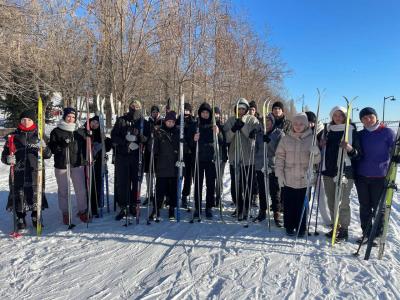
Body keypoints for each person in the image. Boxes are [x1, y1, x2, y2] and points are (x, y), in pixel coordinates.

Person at [1, 110, 52, 231]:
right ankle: (20, 217)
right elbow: (4, 156)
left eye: (29, 119)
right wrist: (8, 159)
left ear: (33, 121)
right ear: (20, 120)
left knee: (35, 193)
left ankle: (36, 216)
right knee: (19, 194)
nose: (26, 122)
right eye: (24, 119)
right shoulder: (13, 136)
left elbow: (48, 154)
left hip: (35, 171)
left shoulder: (39, 135)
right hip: (18, 171)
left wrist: (44, 148)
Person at [355, 107, 398, 244]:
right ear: (361, 120)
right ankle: (366, 233)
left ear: (376, 117)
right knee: (364, 205)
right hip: (361, 175)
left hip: (380, 176)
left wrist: (397, 156)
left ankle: (377, 232)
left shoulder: (387, 132)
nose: (368, 120)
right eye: (364, 118)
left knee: (378, 206)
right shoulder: (360, 134)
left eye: (370, 117)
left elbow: (395, 149)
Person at [275, 113, 321, 236]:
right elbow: (279, 158)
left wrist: (316, 153)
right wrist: (279, 175)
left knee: (303, 205)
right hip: (288, 177)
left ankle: (301, 227)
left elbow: (316, 161)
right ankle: (289, 226)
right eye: (295, 123)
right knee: (289, 204)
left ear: (306, 125)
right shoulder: (285, 139)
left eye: (301, 124)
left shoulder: (312, 138)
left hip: (305, 179)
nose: (298, 126)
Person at [320, 106, 360, 242]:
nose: (338, 118)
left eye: (341, 115)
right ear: (332, 116)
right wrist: (321, 144)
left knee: (343, 202)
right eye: (335, 115)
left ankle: (344, 229)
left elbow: (358, 154)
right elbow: (322, 149)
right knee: (331, 201)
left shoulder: (352, 131)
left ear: (345, 117)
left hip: (345, 171)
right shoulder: (328, 131)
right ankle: (335, 225)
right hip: (328, 171)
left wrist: (349, 148)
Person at [48, 107, 89, 224]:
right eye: (68, 116)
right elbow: (53, 149)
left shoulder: (79, 131)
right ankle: (65, 212)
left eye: (73, 117)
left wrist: (90, 135)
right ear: (64, 116)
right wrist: (61, 145)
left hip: (77, 164)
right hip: (62, 164)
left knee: (80, 189)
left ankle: (82, 210)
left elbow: (87, 143)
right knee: (63, 190)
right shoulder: (56, 131)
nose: (71, 119)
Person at [111, 100, 150, 221]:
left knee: (136, 182)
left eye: (137, 106)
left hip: (137, 156)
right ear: (129, 107)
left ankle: (134, 204)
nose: (135, 108)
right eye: (133, 106)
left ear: (140, 108)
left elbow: (148, 139)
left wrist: (140, 138)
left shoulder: (144, 122)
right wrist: (125, 142)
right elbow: (114, 136)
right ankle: (123, 206)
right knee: (123, 182)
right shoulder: (121, 120)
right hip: (123, 156)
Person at [224, 98, 259, 220]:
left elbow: (253, 138)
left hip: (248, 158)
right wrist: (233, 130)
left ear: (247, 109)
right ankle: (238, 206)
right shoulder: (230, 120)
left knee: (247, 184)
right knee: (236, 184)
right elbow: (226, 138)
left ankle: (247, 207)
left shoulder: (252, 120)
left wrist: (243, 126)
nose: (241, 111)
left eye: (243, 109)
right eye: (239, 109)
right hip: (235, 157)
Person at [191, 102, 223, 219]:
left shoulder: (214, 125)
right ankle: (197, 207)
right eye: (203, 112)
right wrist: (194, 139)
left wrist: (218, 133)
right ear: (200, 113)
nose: (205, 114)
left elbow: (221, 141)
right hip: (198, 158)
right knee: (198, 185)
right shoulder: (195, 125)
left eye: (207, 112)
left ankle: (209, 207)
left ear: (210, 114)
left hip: (211, 159)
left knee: (210, 184)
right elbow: (189, 142)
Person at [253, 113, 284, 226]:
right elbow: (255, 149)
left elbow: (280, 150)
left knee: (274, 190)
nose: (267, 124)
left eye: (269, 121)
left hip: (273, 165)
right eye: (264, 122)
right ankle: (262, 211)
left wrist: (269, 142)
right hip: (261, 165)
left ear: (272, 122)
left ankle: (276, 212)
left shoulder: (279, 133)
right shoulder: (259, 134)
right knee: (262, 189)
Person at [149, 111, 181, 220]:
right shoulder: (160, 132)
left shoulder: (178, 132)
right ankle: (156, 209)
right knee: (159, 190)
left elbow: (184, 148)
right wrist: (152, 138)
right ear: (165, 121)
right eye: (168, 121)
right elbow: (153, 149)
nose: (170, 123)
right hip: (162, 166)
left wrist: (183, 145)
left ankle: (172, 209)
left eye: (172, 121)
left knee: (173, 190)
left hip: (174, 166)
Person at [305, 111, 331, 228]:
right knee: (306, 195)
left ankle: (328, 220)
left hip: (321, 169)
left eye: (311, 122)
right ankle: (303, 218)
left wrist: (322, 146)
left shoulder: (324, 131)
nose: (310, 125)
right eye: (307, 122)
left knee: (322, 198)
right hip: (308, 168)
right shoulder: (303, 132)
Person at [86, 115, 112, 217]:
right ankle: (90, 205)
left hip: (99, 163)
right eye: (93, 122)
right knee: (90, 184)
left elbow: (108, 148)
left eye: (97, 123)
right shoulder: (85, 132)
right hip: (88, 163)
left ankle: (98, 203)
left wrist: (107, 140)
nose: (95, 124)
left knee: (98, 182)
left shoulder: (101, 135)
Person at [180, 102, 197, 208]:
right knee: (179, 175)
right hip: (180, 153)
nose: (186, 112)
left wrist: (189, 145)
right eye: (184, 110)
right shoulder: (179, 120)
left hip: (191, 153)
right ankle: (171, 196)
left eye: (188, 110)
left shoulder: (194, 121)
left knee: (189, 176)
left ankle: (187, 196)